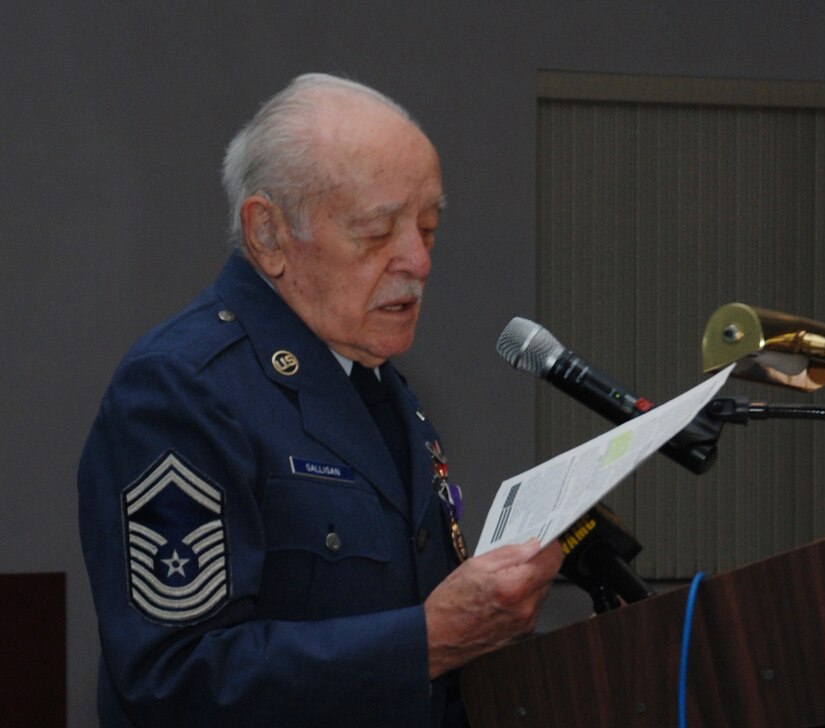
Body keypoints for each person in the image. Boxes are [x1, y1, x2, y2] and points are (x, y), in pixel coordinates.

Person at [78, 72, 564, 727]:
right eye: (377, 231)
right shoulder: (181, 389)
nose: (418, 261)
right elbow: (175, 678)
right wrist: (427, 640)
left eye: (427, 227)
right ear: (268, 235)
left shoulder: (376, 384)